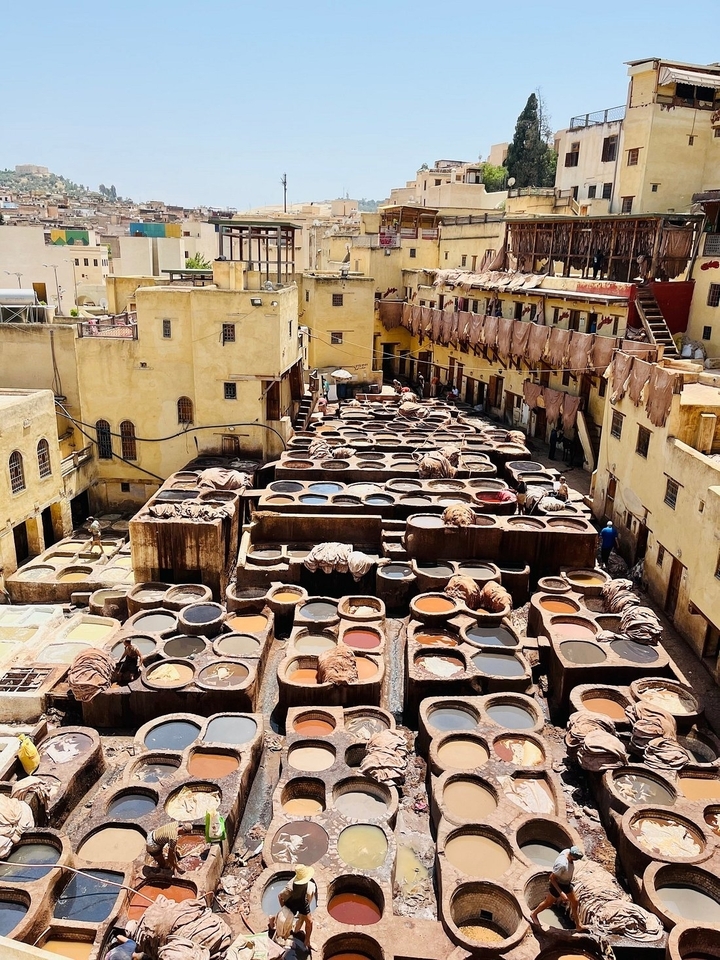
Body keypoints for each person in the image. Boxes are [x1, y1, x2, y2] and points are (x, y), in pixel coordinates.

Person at [531, 845, 585, 930]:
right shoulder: (562, 865)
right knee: (548, 903)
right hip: (557, 885)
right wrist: (561, 893)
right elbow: (552, 878)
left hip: (566, 883)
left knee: (575, 902)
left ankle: (578, 925)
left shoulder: (567, 851)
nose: (576, 860)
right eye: (576, 859)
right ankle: (534, 914)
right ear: (573, 856)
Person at [276, 865, 316, 950]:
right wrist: (284, 909)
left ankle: (307, 941)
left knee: (310, 922)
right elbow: (280, 896)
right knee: (283, 922)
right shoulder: (290, 887)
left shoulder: (308, 885)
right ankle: (283, 937)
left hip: (302, 902)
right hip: (291, 903)